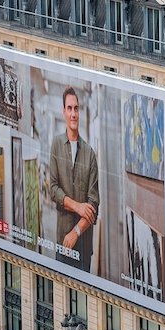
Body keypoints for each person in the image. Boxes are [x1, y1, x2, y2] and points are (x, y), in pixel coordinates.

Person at [48, 87, 101, 274]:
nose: (73, 114)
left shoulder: (90, 154)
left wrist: (76, 232)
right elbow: (53, 189)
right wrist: (79, 207)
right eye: (69, 108)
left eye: (76, 108)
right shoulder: (56, 145)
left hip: (83, 247)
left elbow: (93, 205)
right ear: (63, 112)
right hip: (63, 243)